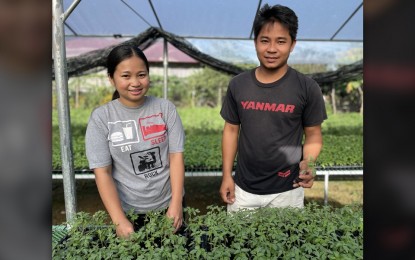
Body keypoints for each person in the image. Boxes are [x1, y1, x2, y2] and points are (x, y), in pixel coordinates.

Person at [219, 4, 327, 212]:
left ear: (293, 44)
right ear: (255, 42)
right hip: (243, 190)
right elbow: (231, 130)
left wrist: (309, 164)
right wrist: (226, 176)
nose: (271, 49)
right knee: (239, 244)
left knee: (286, 243)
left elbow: (314, 136)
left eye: (281, 41)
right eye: (265, 40)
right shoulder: (238, 85)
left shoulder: (307, 87)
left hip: (288, 190)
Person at [85, 44, 185, 238]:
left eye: (141, 74)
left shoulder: (165, 109)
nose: (135, 82)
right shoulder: (102, 117)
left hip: (168, 204)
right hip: (128, 211)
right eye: (126, 76)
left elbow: (176, 158)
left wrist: (176, 204)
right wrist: (119, 219)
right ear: (111, 79)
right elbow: (102, 172)